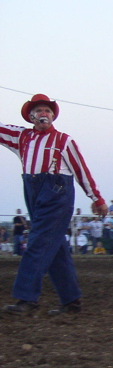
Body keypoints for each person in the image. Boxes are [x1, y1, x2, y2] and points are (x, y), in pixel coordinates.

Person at [0, 93, 107, 315]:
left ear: (53, 116)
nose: (44, 114)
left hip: (57, 195)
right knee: (55, 248)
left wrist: (96, 198)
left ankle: (26, 299)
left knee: (38, 243)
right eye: (39, 111)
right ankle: (71, 301)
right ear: (31, 117)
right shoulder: (22, 137)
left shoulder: (64, 141)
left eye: (48, 111)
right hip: (34, 193)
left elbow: (81, 170)